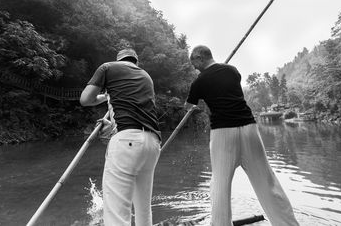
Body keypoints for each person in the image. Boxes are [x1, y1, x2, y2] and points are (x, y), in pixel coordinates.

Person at [184, 45, 299, 226]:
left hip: (223, 134)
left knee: (220, 188)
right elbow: (228, 90)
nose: (194, 67)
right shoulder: (233, 71)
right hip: (249, 129)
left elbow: (188, 106)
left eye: (194, 63)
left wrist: (204, 107)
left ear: (199, 58)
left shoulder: (199, 81)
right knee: (267, 183)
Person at [80, 48, 161, 226]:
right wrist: (113, 125)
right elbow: (134, 111)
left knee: (116, 213)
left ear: (119, 60)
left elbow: (85, 99)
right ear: (135, 62)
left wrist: (104, 96)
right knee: (143, 209)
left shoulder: (108, 68)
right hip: (152, 143)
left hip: (127, 141)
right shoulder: (145, 76)